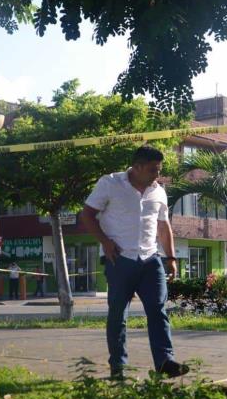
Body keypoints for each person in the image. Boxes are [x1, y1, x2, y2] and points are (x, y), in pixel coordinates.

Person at [80, 145, 189, 379]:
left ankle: (165, 362)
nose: (156, 175)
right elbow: (87, 215)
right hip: (120, 259)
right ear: (137, 167)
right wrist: (105, 242)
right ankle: (118, 367)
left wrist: (170, 257)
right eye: (152, 170)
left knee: (158, 310)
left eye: (159, 170)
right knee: (118, 313)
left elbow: (163, 225)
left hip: (151, 260)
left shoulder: (158, 191)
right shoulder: (110, 183)